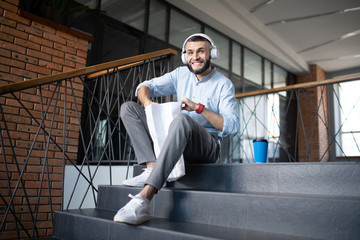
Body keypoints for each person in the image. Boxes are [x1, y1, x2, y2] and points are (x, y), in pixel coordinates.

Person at [113, 33, 240, 225]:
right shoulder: (181, 74)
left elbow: (232, 126)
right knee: (128, 108)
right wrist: (147, 103)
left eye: (201, 51)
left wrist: (199, 108)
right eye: (190, 52)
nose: (195, 57)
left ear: (211, 54)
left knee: (182, 120)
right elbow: (145, 86)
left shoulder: (224, 84)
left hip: (206, 147)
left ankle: (144, 199)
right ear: (184, 56)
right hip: (176, 138)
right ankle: (151, 168)